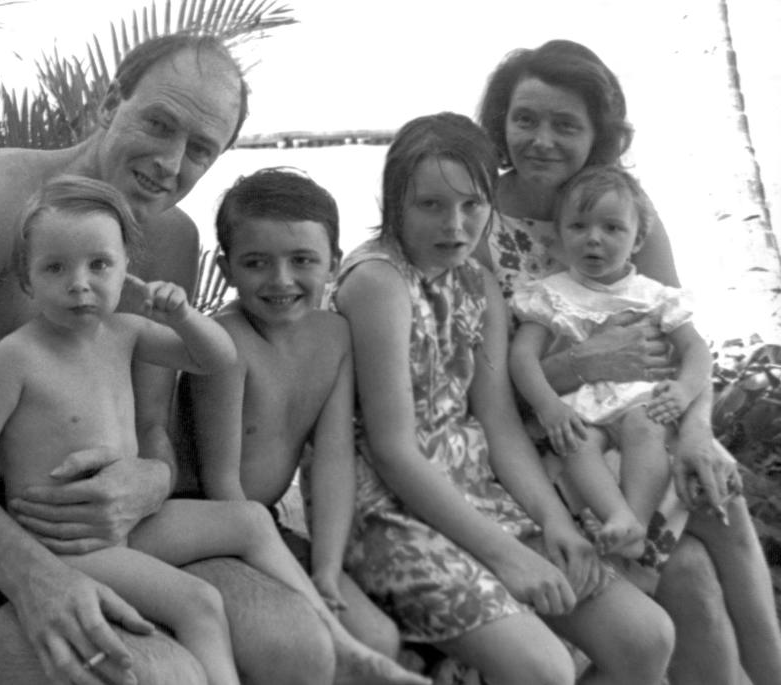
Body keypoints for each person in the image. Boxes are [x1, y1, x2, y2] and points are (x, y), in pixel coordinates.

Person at [0, 33, 340, 685]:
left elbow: (153, 425)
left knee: (295, 647)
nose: (170, 160)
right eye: (159, 123)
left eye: (200, 150)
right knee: (157, 676)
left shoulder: (168, 239)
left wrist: (151, 479)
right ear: (109, 103)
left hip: (81, 525)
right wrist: (34, 578)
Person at [0, 175, 425, 685]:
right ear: (27, 280)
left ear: (125, 271)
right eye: (55, 268)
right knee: (200, 603)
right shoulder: (16, 359)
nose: (80, 283)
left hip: (131, 524)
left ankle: (344, 646)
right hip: (68, 543)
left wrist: (182, 315)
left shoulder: (125, 333)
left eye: (99, 265)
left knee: (250, 518)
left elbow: (215, 358)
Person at [328, 111, 674, 685]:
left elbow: (499, 422)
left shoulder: (476, 283)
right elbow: (392, 451)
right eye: (431, 205)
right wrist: (509, 556)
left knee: (646, 638)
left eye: (472, 205)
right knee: (546, 670)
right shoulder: (378, 282)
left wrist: (552, 521)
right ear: (394, 203)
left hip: (480, 496)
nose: (456, 225)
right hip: (390, 515)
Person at [476, 38, 781, 684]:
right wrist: (583, 362)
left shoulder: (625, 209)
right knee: (693, 561)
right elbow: (484, 387)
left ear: (599, 135)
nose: (542, 139)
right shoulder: (474, 219)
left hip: (646, 429)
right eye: (525, 118)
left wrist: (697, 431)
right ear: (501, 122)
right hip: (550, 445)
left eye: (567, 124)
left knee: (718, 504)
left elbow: (681, 341)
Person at [182, 167, 409, 665]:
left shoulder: (335, 336)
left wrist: (325, 567)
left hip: (261, 522)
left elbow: (332, 459)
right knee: (305, 644)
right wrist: (282, 574)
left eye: (302, 260)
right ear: (226, 269)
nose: (281, 280)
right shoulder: (225, 344)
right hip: (206, 524)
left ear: (334, 262)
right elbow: (222, 487)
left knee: (379, 639)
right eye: (257, 263)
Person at [509, 165, 713, 559]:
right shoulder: (550, 294)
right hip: (579, 405)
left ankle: (635, 519)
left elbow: (696, 350)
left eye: (612, 228)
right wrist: (547, 406)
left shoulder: (653, 295)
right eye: (579, 226)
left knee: (645, 426)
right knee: (576, 443)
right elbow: (522, 357)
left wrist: (685, 390)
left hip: (639, 401)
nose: (594, 240)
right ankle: (617, 514)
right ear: (559, 235)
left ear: (637, 240)